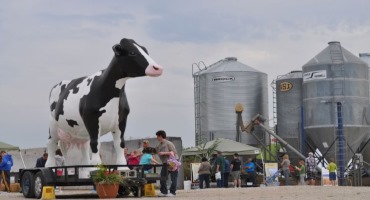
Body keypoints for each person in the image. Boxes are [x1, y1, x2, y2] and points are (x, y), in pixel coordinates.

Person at [155, 130, 178, 197]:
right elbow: (154, 151)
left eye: (157, 136)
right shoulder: (158, 145)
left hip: (172, 162)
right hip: (165, 162)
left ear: (161, 136)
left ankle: (172, 192)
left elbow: (174, 152)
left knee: (174, 177)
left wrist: (164, 153)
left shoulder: (169, 143)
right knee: (162, 177)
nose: (156, 138)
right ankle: (164, 192)